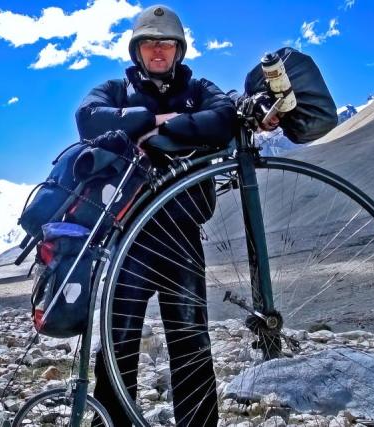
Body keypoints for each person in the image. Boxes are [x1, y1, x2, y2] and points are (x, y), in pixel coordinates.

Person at [74, 5, 236, 427]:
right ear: (137, 50)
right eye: (150, 43)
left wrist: (165, 129)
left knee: (191, 340)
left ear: (179, 50)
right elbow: (87, 119)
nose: (159, 51)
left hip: (182, 234)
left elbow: (223, 119)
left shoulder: (199, 88)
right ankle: (111, 423)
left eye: (166, 43)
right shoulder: (115, 89)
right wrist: (151, 117)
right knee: (118, 340)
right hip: (131, 238)